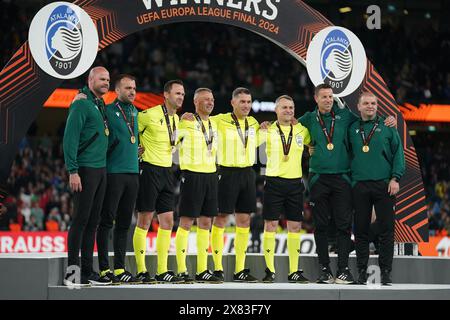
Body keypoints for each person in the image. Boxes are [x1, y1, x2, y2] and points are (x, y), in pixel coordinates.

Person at [298, 83, 396, 284]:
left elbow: (367, 120)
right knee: (321, 226)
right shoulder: (308, 119)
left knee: (344, 226)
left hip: (343, 178)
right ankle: (324, 270)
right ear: (316, 98)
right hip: (318, 178)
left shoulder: (346, 117)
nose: (328, 100)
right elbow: (288, 123)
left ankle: (343, 270)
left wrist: (390, 120)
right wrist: (267, 125)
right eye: (324, 97)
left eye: (330, 97)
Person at [182, 87, 263, 282]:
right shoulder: (219, 120)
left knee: (244, 221)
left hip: (248, 174)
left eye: (249, 102)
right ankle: (217, 267)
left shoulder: (253, 122)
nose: (246, 105)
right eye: (242, 102)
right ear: (233, 103)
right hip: (225, 173)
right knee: (220, 219)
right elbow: (201, 121)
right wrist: (187, 116)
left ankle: (240, 269)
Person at [348, 92, 405, 285]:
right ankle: (362, 272)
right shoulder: (352, 128)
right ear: (359, 106)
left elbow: (398, 154)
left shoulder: (388, 127)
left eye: (373, 103)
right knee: (361, 230)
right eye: (366, 103)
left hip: (384, 185)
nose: (370, 106)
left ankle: (386, 272)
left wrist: (395, 178)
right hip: (359, 185)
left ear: (377, 105)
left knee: (387, 230)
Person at [132, 80, 185, 284]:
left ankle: (162, 270)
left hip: (167, 172)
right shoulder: (148, 114)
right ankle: (142, 270)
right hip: (149, 170)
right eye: (177, 93)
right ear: (166, 94)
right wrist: (134, 148)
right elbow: (130, 132)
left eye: (182, 94)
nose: (180, 97)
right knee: (145, 220)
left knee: (168, 222)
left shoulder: (178, 120)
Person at [63, 66, 111, 287]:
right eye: (102, 78)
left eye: (108, 79)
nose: (106, 82)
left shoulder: (99, 103)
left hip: (100, 169)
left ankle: (87, 272)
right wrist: (73, 171)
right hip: (84, 169)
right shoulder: (81, 103)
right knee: (80, 221)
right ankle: (72, 274)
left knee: (93, 222)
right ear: (90, 80)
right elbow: (70, 138)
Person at [259, 95, 311, 283]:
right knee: (270, 225)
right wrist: (259, 126)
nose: (288, 110)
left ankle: (294, 271)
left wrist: (312, 148)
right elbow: (249, 142)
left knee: (295, 226)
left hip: (295, 184)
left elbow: (313, 142)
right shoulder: (267, 130)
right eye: (284, 108)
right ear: (276, 110)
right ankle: (269, 270)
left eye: (291, 107)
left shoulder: (301, 130)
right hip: (273, 182)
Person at [95, 74, 142, 284]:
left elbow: (133, 138)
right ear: (117, 91)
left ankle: (120, 268)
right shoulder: (108, 110)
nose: (132, 91)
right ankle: (104, 269)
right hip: (113, 173)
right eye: (127, 88)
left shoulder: (135, 112)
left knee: (124, 224)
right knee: (106, 222)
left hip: (133, 173)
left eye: (134, 88)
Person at [174, 88, 222, 283]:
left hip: (211, 176)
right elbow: (171, 142)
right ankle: (181, 270)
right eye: (206, 100)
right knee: (186, 223)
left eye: (212, 99)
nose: (210, 103)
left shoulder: (215, 123)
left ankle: (203, 270)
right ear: (196, 102)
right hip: (192, 176)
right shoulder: (186, 121)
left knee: (205, 224)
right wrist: (179, 121)